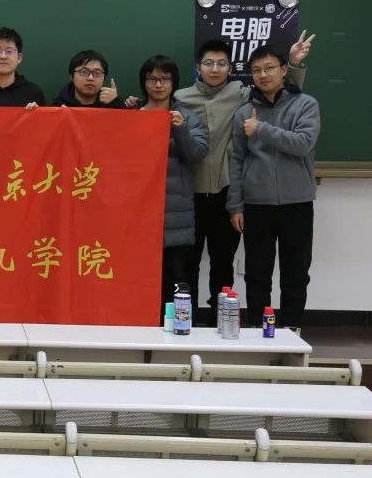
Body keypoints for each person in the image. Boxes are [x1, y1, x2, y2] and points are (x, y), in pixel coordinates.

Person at [177, 32, 313, 322]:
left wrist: (294, 64)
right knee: (195, 266)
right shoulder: (182, 99)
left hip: (241, 194)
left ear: (231, 68)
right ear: (198, 67)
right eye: (208, 63)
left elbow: (284, 95)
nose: (215, 69)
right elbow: (154, 110)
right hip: (197, 194)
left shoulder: (244, 96)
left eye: (222, 64)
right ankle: (193, 324)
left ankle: (234, 323)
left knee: (233, 266)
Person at [227, 45, 321, 329]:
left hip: (297, 204)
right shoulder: (244, 112)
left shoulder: (305, 104)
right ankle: (258, 330)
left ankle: (292, 330)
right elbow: (236, 160)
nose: (263, 75)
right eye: (256, 70)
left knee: (296, 274)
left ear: (283, 70)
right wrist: (235, 205)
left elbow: (303, 143)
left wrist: (261, 129)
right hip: (256, 205)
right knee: (257, 275)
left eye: (269, 68)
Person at [135, 55, 207, 313]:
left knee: (176, 282)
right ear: (144, 82)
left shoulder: (187, 117)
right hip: (139, 216)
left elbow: (197, 155)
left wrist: (181, 129)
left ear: (173, 82)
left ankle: (177, 331)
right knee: (139, 283)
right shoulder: (132, 116)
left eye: (165, 79)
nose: (158, 85)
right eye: (152, 79)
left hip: (176, 218)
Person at [53, 50, 122, 108]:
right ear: (72, 76)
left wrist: (116, 104)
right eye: (84, 72)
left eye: (97, 73)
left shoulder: (112, 105)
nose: (90, 78)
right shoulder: (58, 107)